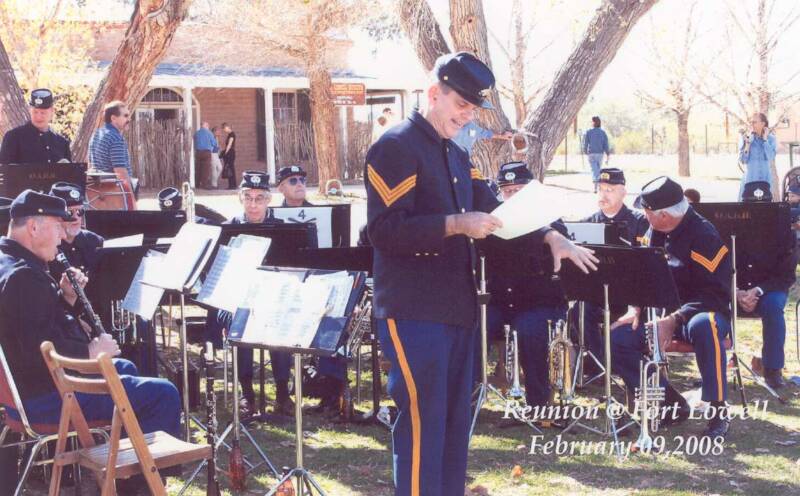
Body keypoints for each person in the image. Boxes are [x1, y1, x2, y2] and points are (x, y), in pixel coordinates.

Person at [366, 51, 597, 496]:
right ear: (435, 94)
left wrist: (550, 236)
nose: (466, 116)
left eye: (472, 109)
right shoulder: (396, 146)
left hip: (457, 309)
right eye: (461, 106)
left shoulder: (455, 153)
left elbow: (494, 210)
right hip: (414, 311)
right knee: (421, 424)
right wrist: (454, 224)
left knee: (454, 426)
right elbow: (383, 230)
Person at [0, 190, 180, 451]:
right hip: (45, 399)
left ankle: (120, 466)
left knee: (125, 367)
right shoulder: (23, 277)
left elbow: (36, 327)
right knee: (163, 394)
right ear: (33, 227)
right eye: (58, 227)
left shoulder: (9, 263)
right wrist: (89, 351)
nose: (63, 237)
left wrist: (67, 298)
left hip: (27, 392)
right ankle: (143, 484)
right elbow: (37, 354)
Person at [612, 176, 733, 439]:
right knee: (618, 337)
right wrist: (634, 308)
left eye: (646, 210)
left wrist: (675, 319)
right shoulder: (648, 227)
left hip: (700, 313)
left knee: (705, 326)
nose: (643, 214)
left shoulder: (705, 236)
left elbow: (715, 294)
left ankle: (718, 410)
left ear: (664, 215)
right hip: (657, 313)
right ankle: (669, 405)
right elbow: (638, 273)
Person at [477, 161, 569, 408]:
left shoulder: (553, 223)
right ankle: (470, 397)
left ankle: (538, 403)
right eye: (508, 191)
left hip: (538, 304)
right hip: (500, 303)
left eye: (519, 190)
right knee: (475, 324)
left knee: (529, 330)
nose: (513, 196)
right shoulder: (490, 223)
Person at [204, 171, 294, 416]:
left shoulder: (283, 230)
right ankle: (247, 394)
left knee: (278, 318)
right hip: (236, 299)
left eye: (259, 198)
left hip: (272, 297)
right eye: (248, 198)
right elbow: (217, 275)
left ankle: (283, 393)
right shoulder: (227, 230)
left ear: (268, 200)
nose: (253, 205)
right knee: (240, 320)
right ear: (240, 198)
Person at [737, 182, 797, 388]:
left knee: (773, 308)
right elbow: (717, 269)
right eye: (752, 207)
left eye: (763, 207)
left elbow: (787, 276)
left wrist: (758, 290)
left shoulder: (785, 234)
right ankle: (713, 366)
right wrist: (736, 292)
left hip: (768, 290)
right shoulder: (725, 229)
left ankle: (772, 370)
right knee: (711, 306)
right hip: (734, 288)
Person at [46, 182, 103, 282]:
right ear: (55, 216)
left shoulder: (95, 241)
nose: (76, 218)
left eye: (79, 211)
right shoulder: (47, 248)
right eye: (69, 213)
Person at [0, 88, 72, 164]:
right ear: (29, 110)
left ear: (52, 111)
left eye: (43, 113)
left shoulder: (62, 143)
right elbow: (5, 172)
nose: (38, 117)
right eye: (35, 112)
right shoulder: (13, 137)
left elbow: (69, 174)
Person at [580, 167, 649, 246]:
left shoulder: (639, 223)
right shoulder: (587, 224)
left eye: (609, 190)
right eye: (600, 189)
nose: (603, 195)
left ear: (623, 193)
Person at [88, 101, 137, 209]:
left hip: (98, 195)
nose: (129, 119)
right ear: (113, 118)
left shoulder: (96, 135)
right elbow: (121, 173)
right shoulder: (115, 138)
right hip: (116, 196)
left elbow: (91, 166)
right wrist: (131, 200)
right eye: (125, 116)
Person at [738, 113, 777, 200]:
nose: (752, 125)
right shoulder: (746, 138)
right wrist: (748, 144)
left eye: (754, 122)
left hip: (765, 179)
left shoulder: (771, 139)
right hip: (750, 180)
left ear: (763, 123)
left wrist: (765, 140)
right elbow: (743, 160)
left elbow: (770, 157)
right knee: (747, 209)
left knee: (765, 208)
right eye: (751, 122)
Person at [583, 116, 611, 191]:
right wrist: (608, 153)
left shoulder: (589, 132)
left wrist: (585, 150)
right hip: (600, 154)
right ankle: (597, 187)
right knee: (597, 169)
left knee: (595, 169)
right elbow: (606, 144)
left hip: (591, 153)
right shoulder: (603, 132)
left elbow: (585, 143)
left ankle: (596, 181)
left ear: (593, 122)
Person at [193, 122, 218, 189]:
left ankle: (197, 184)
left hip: (198, 152)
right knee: (205, 169)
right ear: (207, 126)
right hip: (206, 152)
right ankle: (204, 185)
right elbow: (214, 143)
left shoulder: (196, 133)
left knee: (198, 168)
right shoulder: (209, 133)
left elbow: (194, 142)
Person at [220, 122, 237, 189]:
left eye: (224, 128)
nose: (224, 130)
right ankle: (231, 185)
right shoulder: (229, 134)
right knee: (230, 168)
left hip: (230, 153)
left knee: (230, 169)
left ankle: (232, 185)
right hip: (230, 152)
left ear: (227, 127)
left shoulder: (232, 134)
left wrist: (225, 152)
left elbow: (229, 144)